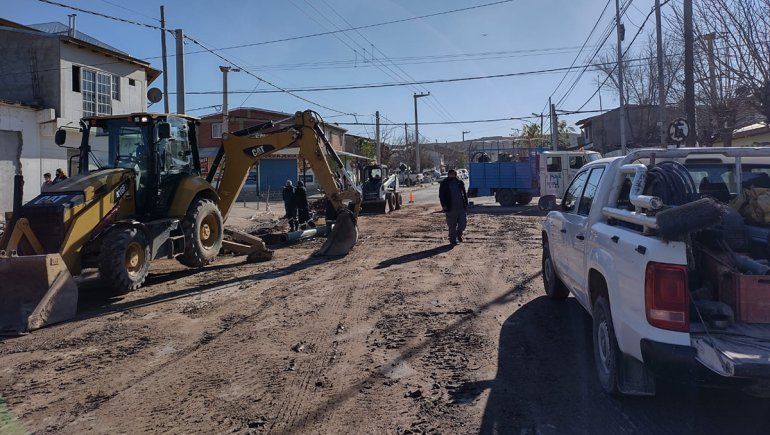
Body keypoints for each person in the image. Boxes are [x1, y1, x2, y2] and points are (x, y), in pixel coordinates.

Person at [439, 169, 468, 245]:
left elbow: (464, 193)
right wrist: (444, 205)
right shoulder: (444, 183)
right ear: (448, 175)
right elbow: (441, 195)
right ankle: (452, 239)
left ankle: (459, 234)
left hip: (461, 207)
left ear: (455, 175)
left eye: (453, 174)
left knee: (463, 224)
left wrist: (466, 203)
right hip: (450, 208)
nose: (452, 175)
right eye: (450, 174)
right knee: (452, 226)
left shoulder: (460, 183)